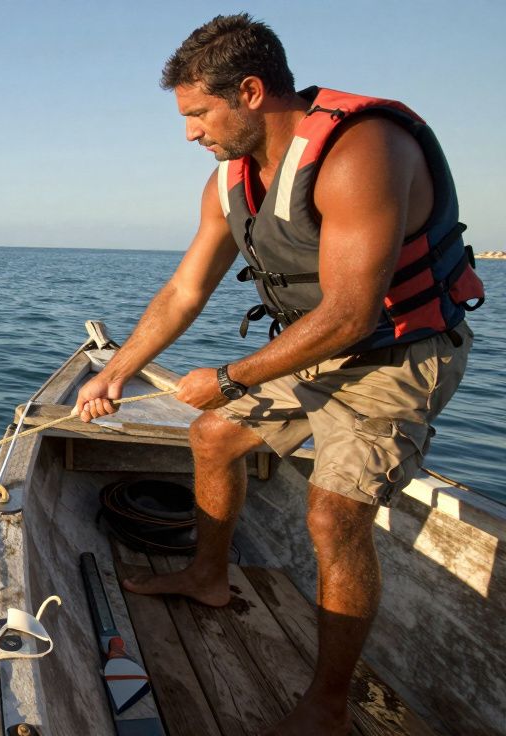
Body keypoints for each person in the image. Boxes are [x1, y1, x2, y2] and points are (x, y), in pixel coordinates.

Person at [72, 13, 484, 736]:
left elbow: (355, 314)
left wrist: (230, 376)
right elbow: (183, 293)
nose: (190, 133)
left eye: (199, 113)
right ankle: (207, 576)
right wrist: (114, 373)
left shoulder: (362, 151)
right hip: (313, 348)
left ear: (252, 92)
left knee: (333, 514)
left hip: (397, 355)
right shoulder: (229, 182)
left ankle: (327, 707)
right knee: (211, 437)